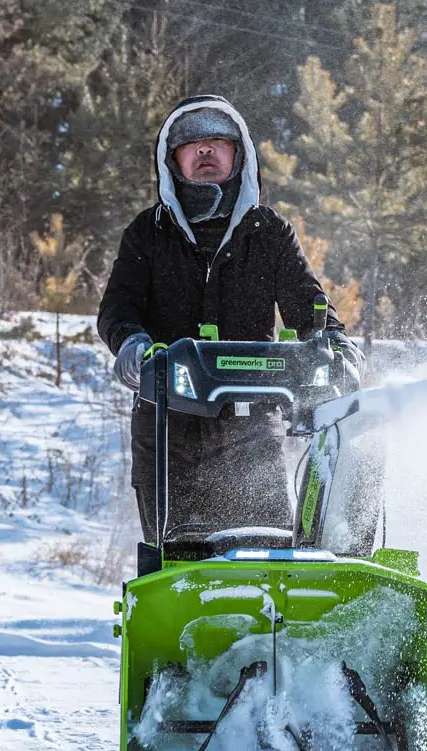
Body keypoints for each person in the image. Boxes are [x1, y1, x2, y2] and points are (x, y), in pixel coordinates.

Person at [97, 94, 362, 543]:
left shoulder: (269, 232)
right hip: (167, 427)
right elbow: (118, 308)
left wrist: (335, 343)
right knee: (178, 554)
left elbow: (307, 303)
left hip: (252, 423)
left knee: (265, 549)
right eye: (191, 142)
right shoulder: (148, 232)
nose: (205, 150)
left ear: (239, 155)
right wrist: (130, 342)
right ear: (171, 159)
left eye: (217, 141)